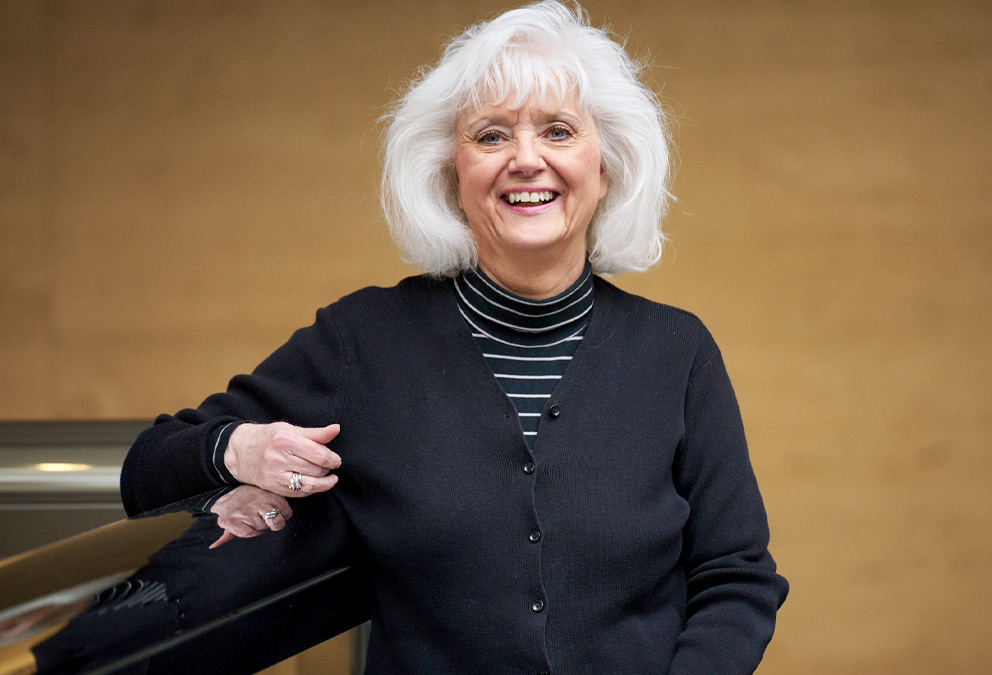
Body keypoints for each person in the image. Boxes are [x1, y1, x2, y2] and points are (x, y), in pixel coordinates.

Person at [120, 2, 788, 672]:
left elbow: (737, 576)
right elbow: (147, 470)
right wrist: (239, 448)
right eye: (491, 136)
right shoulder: (364, 342)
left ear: (606, 165)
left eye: (558, 131)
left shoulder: (677, 352)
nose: (526, 160)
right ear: (450, 175)